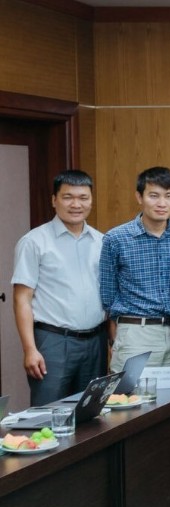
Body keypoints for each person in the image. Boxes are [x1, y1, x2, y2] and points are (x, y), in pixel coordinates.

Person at [12, 170, 107, 407]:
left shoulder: (102, 241)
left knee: (90, 415)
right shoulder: (34, 242)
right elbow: (22, 299)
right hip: (53, 342)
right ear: (54, 200)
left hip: (96, 340)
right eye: (68, 197)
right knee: (48, 413)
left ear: (91, 200)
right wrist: (29, 349)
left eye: (83, 197)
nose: (76, 204)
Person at [100, 167, 170, 372]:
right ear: (139, 197)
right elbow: (107, 294)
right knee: (130, 400)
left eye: (168, 196)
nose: (162, 203)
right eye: (154, 196)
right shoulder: (116, 238)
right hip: (136, 332)